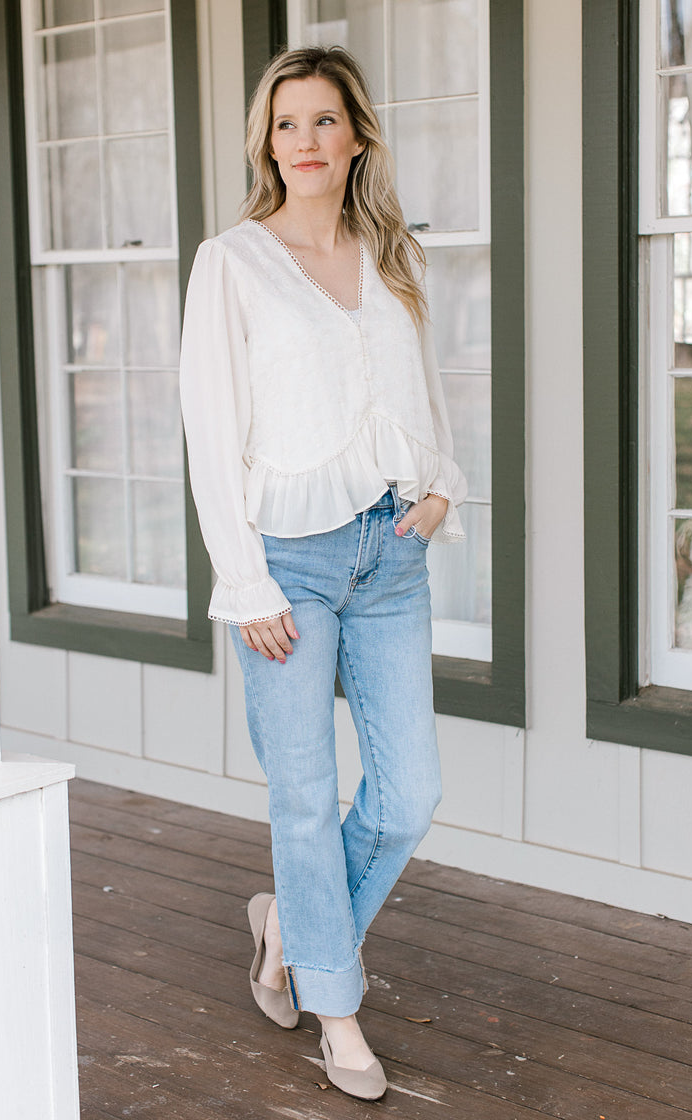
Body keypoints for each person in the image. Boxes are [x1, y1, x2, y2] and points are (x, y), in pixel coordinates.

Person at [178, 45, 467, 1101]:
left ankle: (286, 931)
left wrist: (439, 493)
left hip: (390, 549)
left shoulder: (392, 254)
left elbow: (425, 389)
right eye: (286, 122)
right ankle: (337, 1016)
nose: (305, 141)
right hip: (286, 563)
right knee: (303, 797)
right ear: (268, 140)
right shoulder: (232, 262)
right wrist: (242, 582)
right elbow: (212, 434)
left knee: (408, 796)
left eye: (324, 122)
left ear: (355, 138)